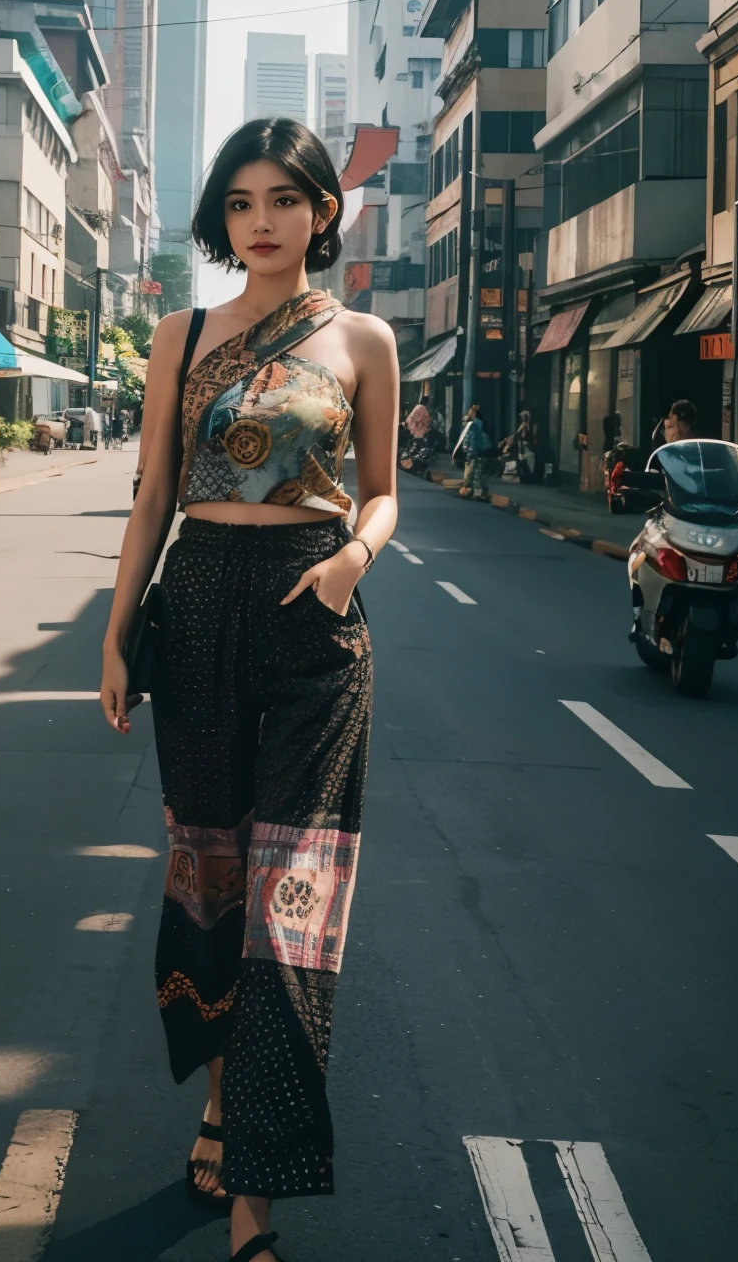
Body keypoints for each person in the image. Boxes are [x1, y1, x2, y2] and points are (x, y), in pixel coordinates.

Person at [99, 117, 398, 1262]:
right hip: (201, 606)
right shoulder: (179, 334)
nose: (260, 222)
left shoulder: (361, 337)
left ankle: (254, 1205)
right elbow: (150, 502)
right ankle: (222, 1100)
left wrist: (347, 566)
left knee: (294, 909)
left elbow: (381, 494)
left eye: (283, 199)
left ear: (323, 208)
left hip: (314, 621)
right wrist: (119, 636)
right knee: (212, 880)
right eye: (239, 202)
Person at [455, 403, 490, 499]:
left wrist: (470, 450)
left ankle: (475, 490)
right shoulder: (470, 423)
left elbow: (474, 437)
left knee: (475, 470)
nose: (468, 413)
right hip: (472, 449)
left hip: (476, 449)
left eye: (470, 411)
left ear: (474, 413)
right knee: (472, 469)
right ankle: (475, 490)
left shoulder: (476, 423)